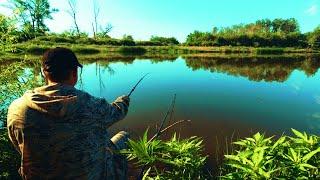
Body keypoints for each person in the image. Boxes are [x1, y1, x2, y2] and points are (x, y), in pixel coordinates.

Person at [7, 47, 130, 179]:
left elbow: (18, 145)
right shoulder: (92, 105)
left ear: (43, 72)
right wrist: (123, 100)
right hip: (91, 176)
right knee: (124, 136)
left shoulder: (17, 109)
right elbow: (117, 112)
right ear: (74, 73)